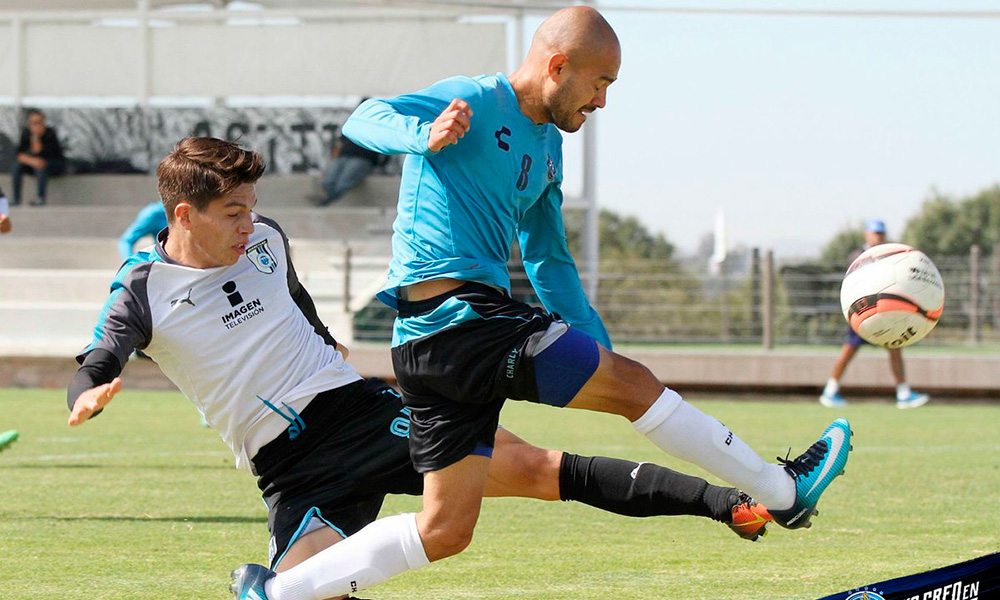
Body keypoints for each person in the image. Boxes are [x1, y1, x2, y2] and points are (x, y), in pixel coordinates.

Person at [226, 7, 853, 600]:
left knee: (445, 531)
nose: (602, 99)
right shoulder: (472, 98)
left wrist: (595, 346)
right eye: (599, 82)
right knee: (636, 389)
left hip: (432, 346)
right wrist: (424, 134)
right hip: (462, 320)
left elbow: (549, 257)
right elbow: (363, 118)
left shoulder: (549, 149)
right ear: (557, 67)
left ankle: (276, 592)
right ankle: (782, 490)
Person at [66, 137, 773, 600]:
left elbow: (295, 299)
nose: (250, 223)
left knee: (537, 470)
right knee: (301, 594)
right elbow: (99, 355)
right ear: (183, 215)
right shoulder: (141, 289)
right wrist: (91, 389)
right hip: (289, 470)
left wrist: (323, 340)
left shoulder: (266, 241)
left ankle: (726, 502)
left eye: (253, 208)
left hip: (361, 414)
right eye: (232, 212)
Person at [819, 219, 930, 409]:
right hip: (864, 311)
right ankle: (830, 391)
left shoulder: (890, 254)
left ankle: (903, 393)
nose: (878, 237)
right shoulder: (858, 256)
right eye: (875, 233)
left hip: (886, 311)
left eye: (881, 233)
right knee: (849, 349)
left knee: (895, 346)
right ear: (867, 235)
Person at [312, 100, 389, 207]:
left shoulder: (379, 124)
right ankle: (328, 199)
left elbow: (386, 146)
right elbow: (340, 142)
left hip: (363, 158)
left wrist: (380, 166)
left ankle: (327, 201)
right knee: (328, 182)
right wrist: (334, 158)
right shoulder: (354, 121)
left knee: (343, 183)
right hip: (344, 156)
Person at [11, 109, 66, 207]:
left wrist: (36, 137)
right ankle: (16, 198)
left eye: (38, 123)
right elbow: (19, 155)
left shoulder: (50, 134)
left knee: (40, 167)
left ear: (43, 123)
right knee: (17, 166)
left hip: (53, 164)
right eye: (33, 123)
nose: (36, 126)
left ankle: (40, 198)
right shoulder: (26, 133)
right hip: (34, 164)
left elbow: (40, 153)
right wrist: (31, 161)